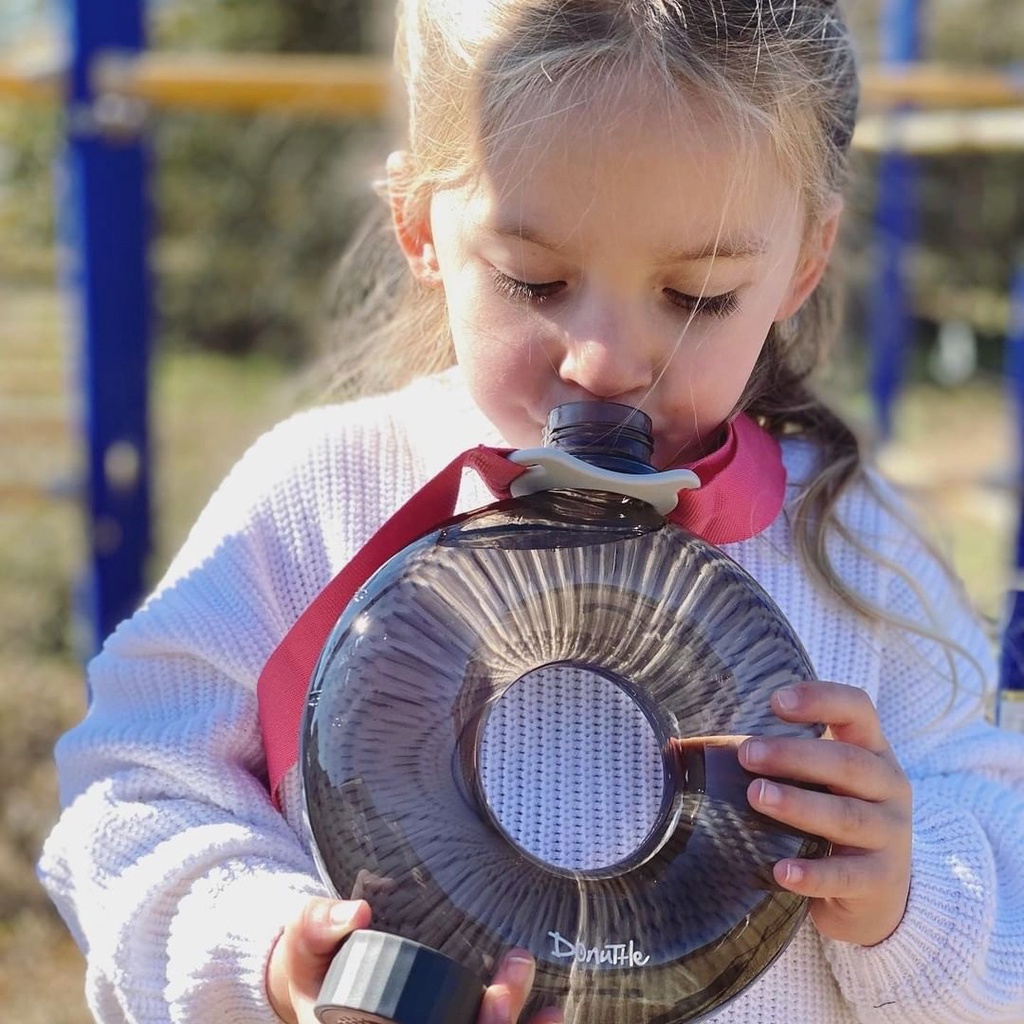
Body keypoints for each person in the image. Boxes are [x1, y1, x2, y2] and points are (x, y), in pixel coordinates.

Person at [39, 1, 1024, 1022]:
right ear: (420, 227)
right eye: (535, 280)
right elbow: (132, 794)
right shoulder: (321, 496)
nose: (603, 361)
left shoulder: (852, 548)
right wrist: (267, 955)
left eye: (698, 292)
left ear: (803, 260)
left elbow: (1008, 869)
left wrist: (910, 895)